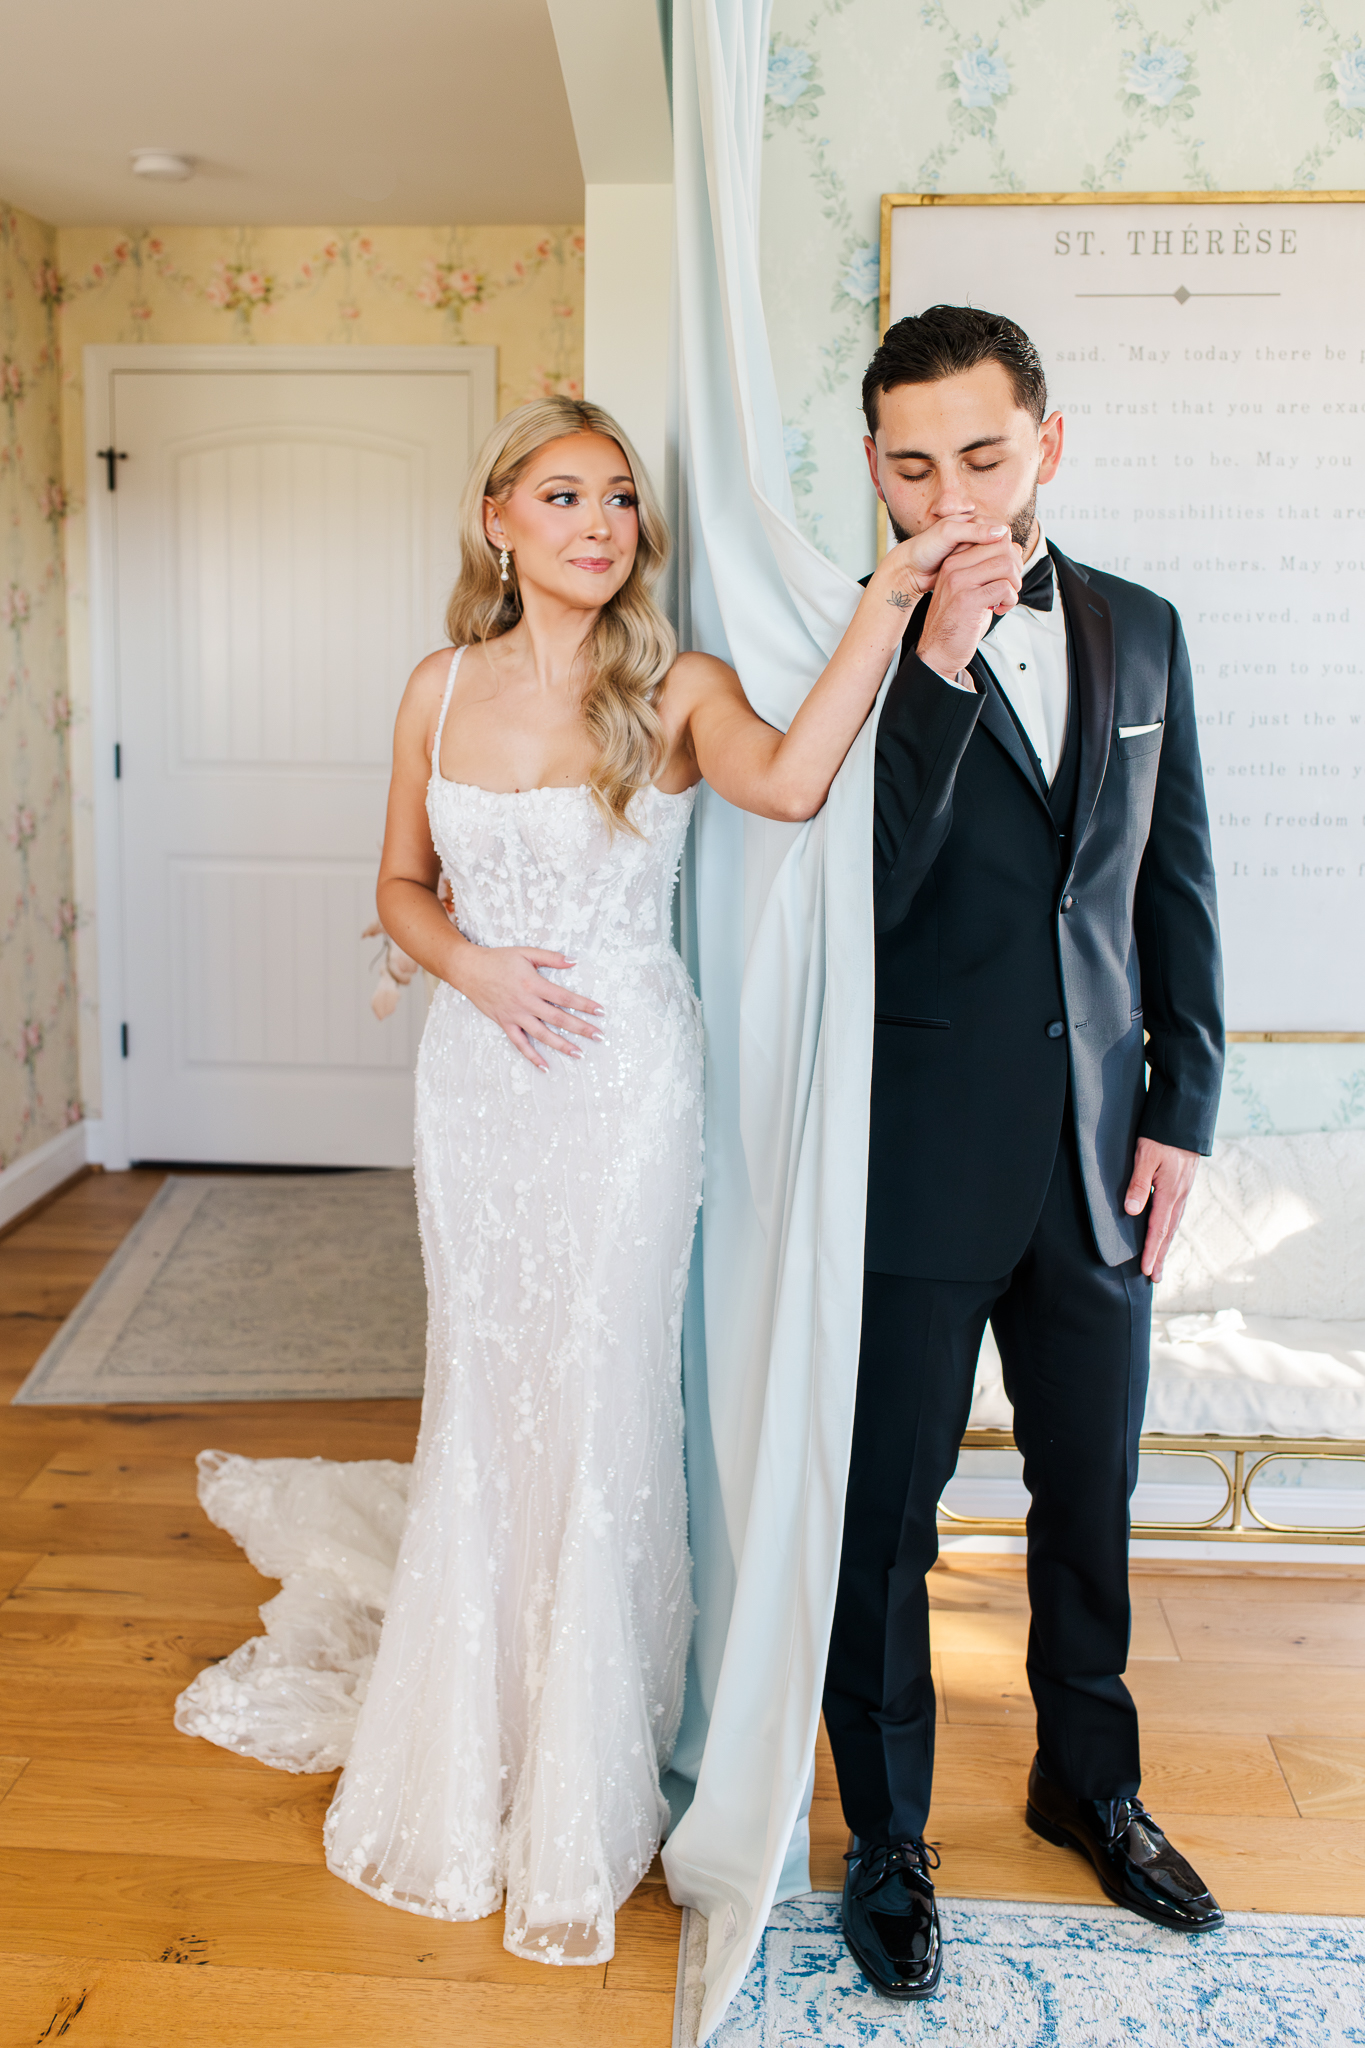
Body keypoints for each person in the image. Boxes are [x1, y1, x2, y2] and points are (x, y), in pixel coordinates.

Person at [174, 395, 1007, 1966]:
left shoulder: (674, 682)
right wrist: (477, 973)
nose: (598, 522)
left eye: (619, 497)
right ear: (496, 518)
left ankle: (585, 1783)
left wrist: (885, 607)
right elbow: (400, 894)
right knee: (485, 1398)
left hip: (626, 1094)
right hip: (481, 1091)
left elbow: (793, 787)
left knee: (601, 1394)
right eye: (562, 494)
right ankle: (468, 1744)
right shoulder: (433, 691)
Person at [822, 307, 1226, 2000]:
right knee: (885, 1520)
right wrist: (923, 662)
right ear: (872, 468)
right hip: (912, 1155)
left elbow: (1170, 880)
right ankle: (890, 1836)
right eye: (910, 467)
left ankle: (1090, 1784)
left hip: (1096, 1164)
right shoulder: (842, 642)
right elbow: (860, 894)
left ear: (1044, 442)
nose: (949, 495)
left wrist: (1180, 1107)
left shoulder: (1138, 629)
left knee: (1091, 1503)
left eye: (980, 457)